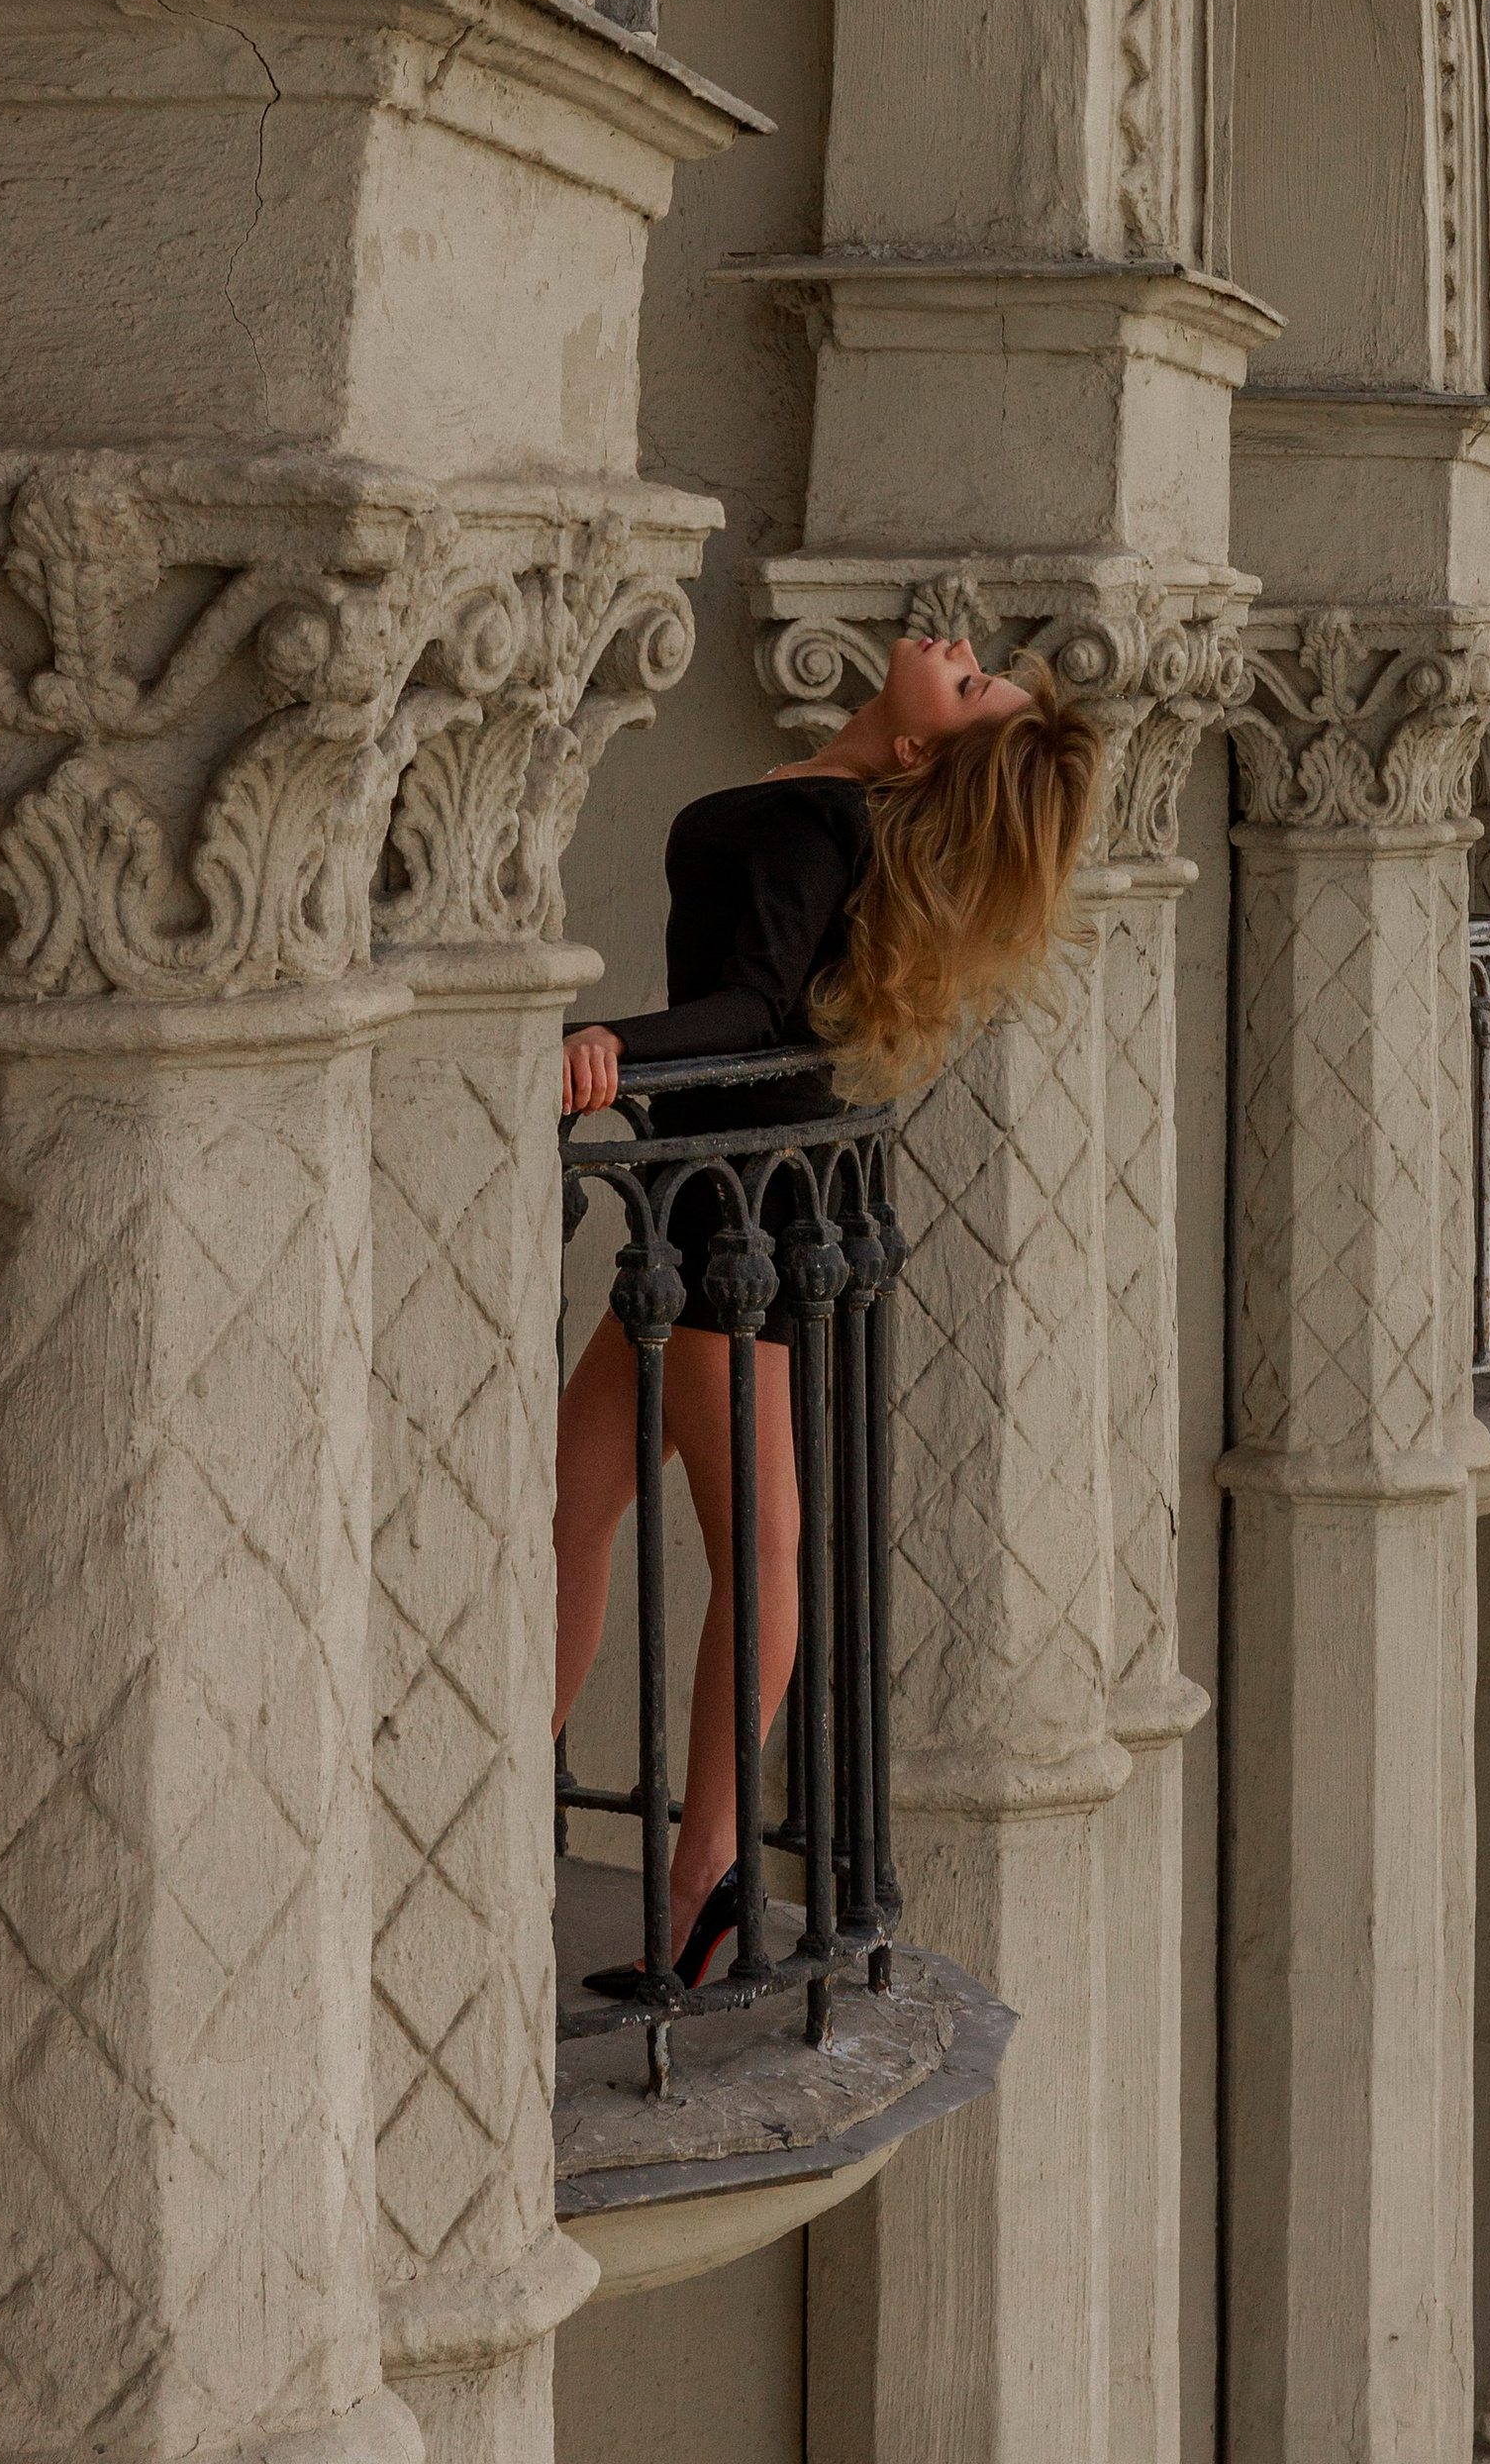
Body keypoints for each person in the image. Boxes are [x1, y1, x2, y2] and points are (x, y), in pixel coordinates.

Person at [553, 633, 1103, 1987]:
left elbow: (751, 1006)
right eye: (978, 669)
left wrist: (609, 1045)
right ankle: (574, 1818)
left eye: (969, 687)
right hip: (729, 1196)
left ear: (915, 751)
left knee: (752, 1541)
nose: (958, 649)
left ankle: (705, 1875)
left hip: (737, 1210)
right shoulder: (829, 802)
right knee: (576, 1510)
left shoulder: (819, 819)